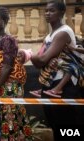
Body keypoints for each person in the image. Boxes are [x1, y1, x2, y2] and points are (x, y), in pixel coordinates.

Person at [30, 1, 84, 140]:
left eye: (52, 11)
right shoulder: (48, 36)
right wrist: (40, 59)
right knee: (55, 126)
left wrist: (30, 55)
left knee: (68, 128)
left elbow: (41, 60)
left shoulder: (63, 32)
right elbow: (39, 64)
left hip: (64, 85)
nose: (47, 13)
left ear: (61, 13)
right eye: (46, 11)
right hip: (49, 84)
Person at [0, 7, 33, 141]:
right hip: (0, 86)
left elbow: (7, 66)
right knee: (0, 121)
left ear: (5, 21)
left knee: (10, 121)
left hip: (8, 88)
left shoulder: (8, 40)